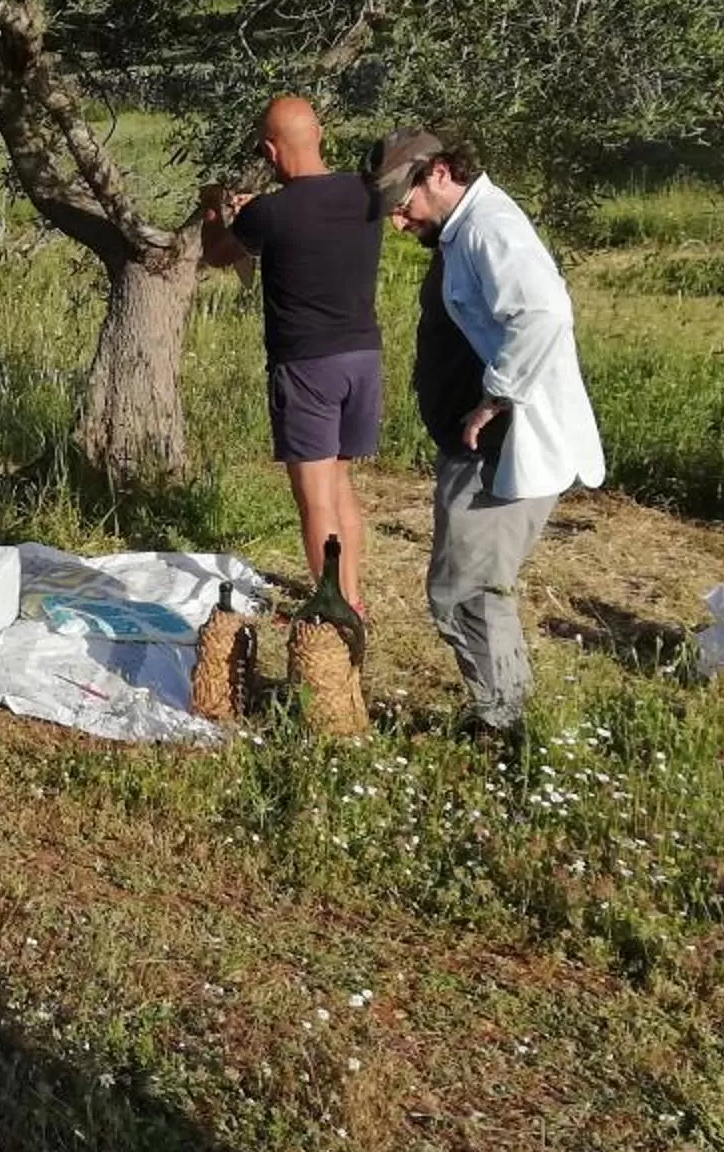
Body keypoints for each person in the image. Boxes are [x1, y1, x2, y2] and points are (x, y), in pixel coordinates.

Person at [371, 129, 605, 741]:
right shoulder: (465, 230)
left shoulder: (487, 229)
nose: (400, 222)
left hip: (500, 448)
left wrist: (494, 396)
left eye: (404, 203)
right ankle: (504, 715)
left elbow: (544, 312)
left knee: (465, 592)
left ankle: (507, 729)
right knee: (470, 588)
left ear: (441, 172)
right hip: (480, 446)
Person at [200, 94, 383, 615]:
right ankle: (353, 595)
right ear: (319, 135)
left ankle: (335, 606)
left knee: (315, 497)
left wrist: (218, 212)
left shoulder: (269, 212)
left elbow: (219, 255)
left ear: (269, 150)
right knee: (340, 481)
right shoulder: (367, 195)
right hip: (363, 357)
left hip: (307, 366)